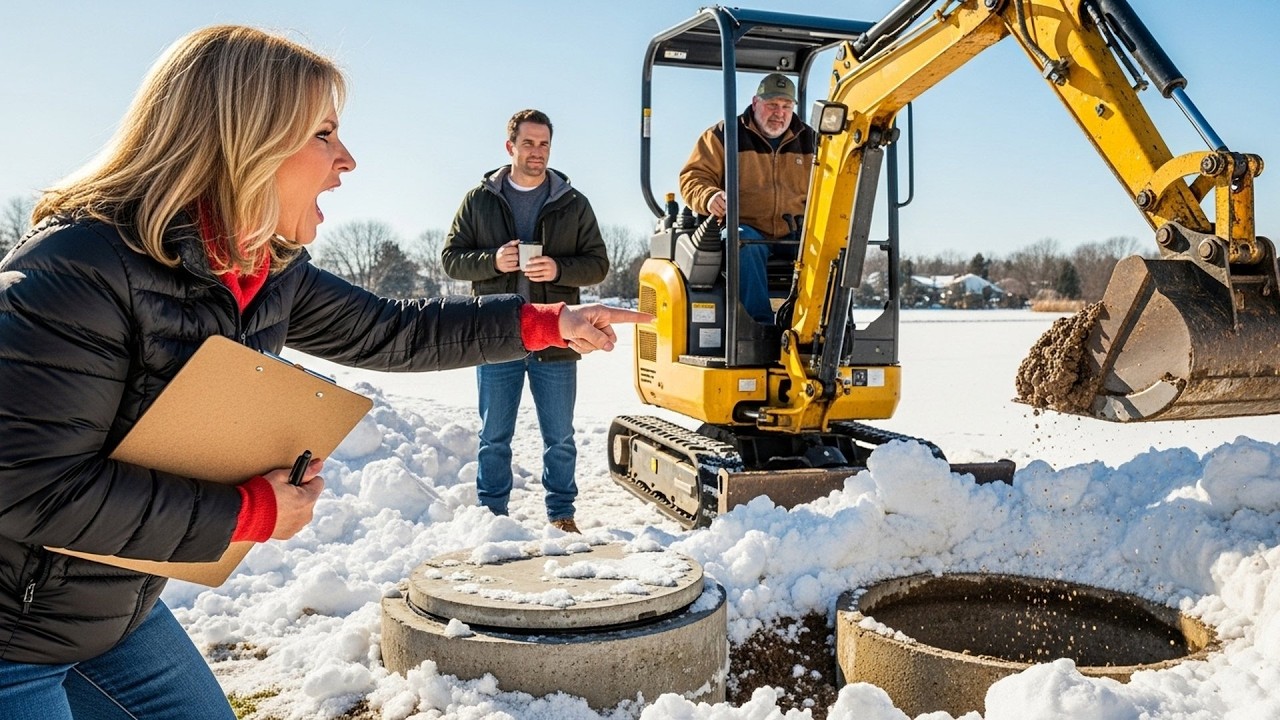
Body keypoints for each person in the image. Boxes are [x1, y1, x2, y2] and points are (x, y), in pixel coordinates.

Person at [0, 27, 645, 720]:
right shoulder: (78, 269)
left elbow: (393, 330)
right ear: (249, 137)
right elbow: (28, 485)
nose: (347, 160)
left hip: (108, 610)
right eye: (324, 134)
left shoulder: (262, 269)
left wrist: (550, 322)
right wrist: (248, 512)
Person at [441, 109, 610, 535]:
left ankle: (561, 513)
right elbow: (451, 259)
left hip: (556, 335)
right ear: (510, 146)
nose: (537, 152)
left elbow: (598, 265)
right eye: (529, 143)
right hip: (496, 334)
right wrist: (492, 260)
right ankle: (491, 514)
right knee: (494, 436)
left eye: (544, 144)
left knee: (560, 436)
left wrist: (558, 269)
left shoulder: (573, 202)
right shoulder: (479, 200)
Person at [679, 72, 817, 324]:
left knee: (829, 251)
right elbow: (693, 178)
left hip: (794, 232)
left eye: (786, 106)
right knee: (744, 241)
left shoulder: (812, 141)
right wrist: (709, 196)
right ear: (755, 103)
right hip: (745, 228)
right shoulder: (723, 135)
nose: (779, 113)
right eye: (772, 105)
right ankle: (757, 328)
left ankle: (818, 327)